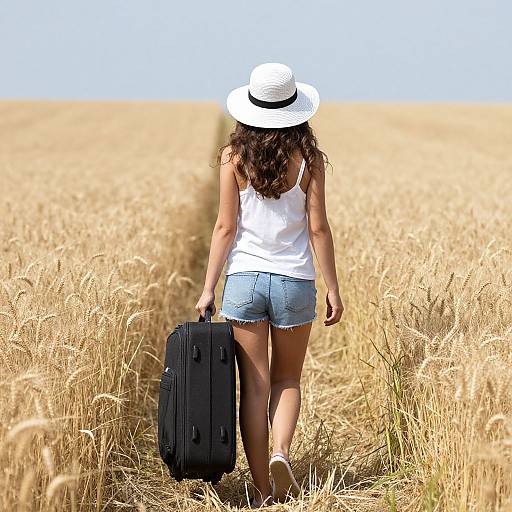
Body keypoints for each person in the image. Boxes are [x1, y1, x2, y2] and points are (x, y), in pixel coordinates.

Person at [195, 62, 344, 509]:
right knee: (287, 379)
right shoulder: (310, 161)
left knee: (254, 388)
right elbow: (318, 229)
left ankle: (261, 491)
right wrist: (333, 287)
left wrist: (208, 289)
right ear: (295, 109)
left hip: (244, 281)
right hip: (295, 282)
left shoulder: (233, 158)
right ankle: (281, 452)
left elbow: (224, 226)